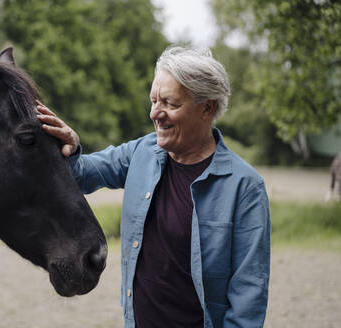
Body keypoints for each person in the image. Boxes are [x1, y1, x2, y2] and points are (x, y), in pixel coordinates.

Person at [36, 46, 270, 328]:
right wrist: (69, 147)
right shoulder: (141, 152)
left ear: (207, 108)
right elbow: (82, 174)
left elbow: (249, 293)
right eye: (154, 100)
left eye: (169, 103)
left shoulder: (245, 187)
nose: (155, 113)